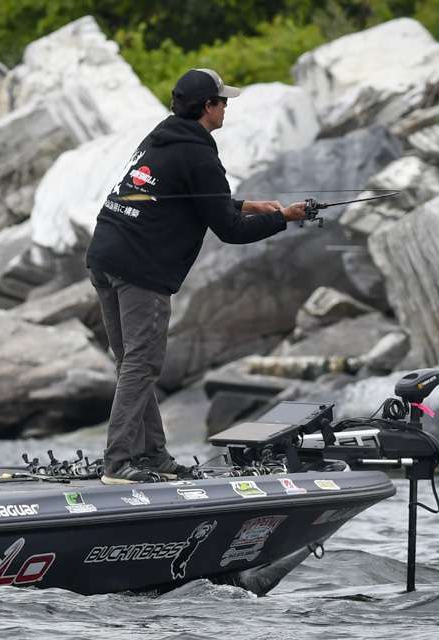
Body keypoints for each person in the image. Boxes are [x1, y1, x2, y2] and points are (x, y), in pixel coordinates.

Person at [86, 68, 307, 485]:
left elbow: (197, 196)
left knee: (132, 363)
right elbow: (231, 232)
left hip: (104, 255)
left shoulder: (163, 136)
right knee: (143, 363)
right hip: (140, 267)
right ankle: (118, 464)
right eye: (223, 101)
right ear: (208, 107)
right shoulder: (200, 154)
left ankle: (152, 454)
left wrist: (250, 205)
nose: (226, 108)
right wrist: (283, 219)